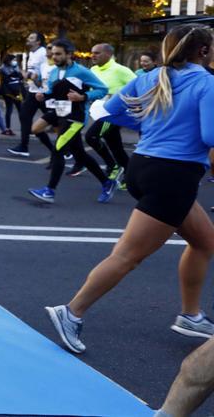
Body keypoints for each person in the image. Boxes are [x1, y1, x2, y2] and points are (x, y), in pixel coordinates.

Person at [46, 24, 214, 354]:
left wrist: (146, 123)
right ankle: (72, 312)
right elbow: (210, 138)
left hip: (142, 167)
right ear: (204, 51)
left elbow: (105, 111)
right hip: (172, 176)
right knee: (127, 256)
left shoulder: (151, 77)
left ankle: (191, 315)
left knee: (205, 241)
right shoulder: (207, 84)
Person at [26, 39, 113, 204]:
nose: (55, 57)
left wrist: (83, 97)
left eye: (58, 54)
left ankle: (49, 191)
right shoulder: (53, 72)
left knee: (59, 149)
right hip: (59, 111)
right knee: (36, 129)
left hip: (75, 117)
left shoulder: (81, 71)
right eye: (53, 54)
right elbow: (52, 91)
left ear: (69, 55)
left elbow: (103, 89)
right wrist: (44, 95)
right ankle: (107, 182)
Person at [78, 43, 137, 183]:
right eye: (92, 52)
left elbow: (140, 86)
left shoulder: (120, 70)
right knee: (115, 147)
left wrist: (119, 99)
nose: (93, 55)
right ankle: (129, 179)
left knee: (91, 136)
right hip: (99, 112)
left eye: (97, 53)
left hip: (114, 114)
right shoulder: (92, 70)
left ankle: (113, 166)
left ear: (108, 55)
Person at [8, 31, 50, 156]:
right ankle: (24, 146)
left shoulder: (43, 53)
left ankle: (67, 149)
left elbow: (45, 72)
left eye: (31, 38)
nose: (28, 39)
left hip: (44, 92)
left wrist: (30, 76)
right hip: (34, 91)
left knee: (56, 121)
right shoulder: (32, 53)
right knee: (25, 116)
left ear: (38, 41)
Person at [0, 53, 23, 135]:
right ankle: (8, 128)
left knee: (20, 109)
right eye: (13, 60)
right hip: (9, 92)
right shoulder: (3, 69)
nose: (14, 61)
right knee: (10, 109)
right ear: (9, 60)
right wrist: (15, 75)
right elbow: (6, 79)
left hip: (15, 90)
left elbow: (20, 76)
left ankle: (23, 127)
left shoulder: (13, 67)